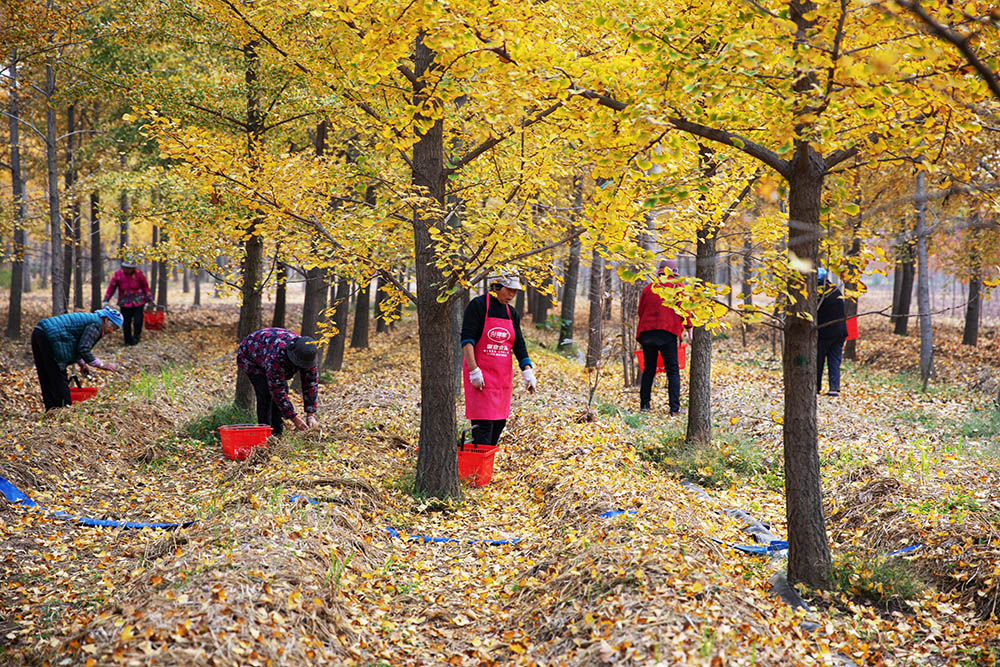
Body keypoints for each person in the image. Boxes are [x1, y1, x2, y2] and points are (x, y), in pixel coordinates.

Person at [460, 274, 536, 448]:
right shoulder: (478, 306)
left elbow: (519, 344)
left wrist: (527, 370)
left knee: (499, 423)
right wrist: (474, 370)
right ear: (496, 287)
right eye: (509, 290)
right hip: (481, 377)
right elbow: (467, 340)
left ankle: (484, 467)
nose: (511, 295)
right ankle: (477, 471)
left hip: (502, 379)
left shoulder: (512, 313)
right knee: (483, 425)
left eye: (514, 292)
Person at [31, 307, 123, 410]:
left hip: (39, 332)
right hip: (50, 338)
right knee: (58, 377)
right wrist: (101, 365)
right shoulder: (96, 325)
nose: (112, 331)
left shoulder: (92, 320)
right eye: (113, 327)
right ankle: (63, 411)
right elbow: (83, 348)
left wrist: (82, 363)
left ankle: (51, 410)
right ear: (106, 320)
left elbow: (74, 342)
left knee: (46, 376)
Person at [236, 328, 320, 436]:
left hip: (268, 353)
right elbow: (277, 391)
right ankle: (265, 436)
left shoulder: (309, 354)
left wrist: (310, 415)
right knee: (265, 394)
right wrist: (294, 419)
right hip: (251, 355)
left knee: (283, 392)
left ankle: (277, 434)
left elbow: (311, 384)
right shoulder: (277, 356)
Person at [637, 259, 691, 415]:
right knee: (672, 371)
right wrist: (689, 328)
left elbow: (641, 311)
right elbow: (684, 310)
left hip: (647, 333)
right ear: (674, 273)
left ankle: (644, 405)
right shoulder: (678, 287)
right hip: (667, 333)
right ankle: (674, 409)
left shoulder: (648, 288)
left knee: (649, 369)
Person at [103, 261, 153, 346]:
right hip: (125, 302)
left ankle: (136, 339)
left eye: (130, 268)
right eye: (127, 268)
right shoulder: (118, 274)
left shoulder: (139, 274)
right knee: (126, 322)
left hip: (138, 301)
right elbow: (112, 287)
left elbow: (145, 286)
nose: (128, 270)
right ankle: (128, 341)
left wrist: (149, 299)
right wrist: (106, 299)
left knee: (138, 321)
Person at [817, 268, 848, 397]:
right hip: (840, 332)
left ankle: (815, 387)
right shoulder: (835, 289)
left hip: (825, 332)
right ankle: (834, 388)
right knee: (834, 360)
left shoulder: (819, 292)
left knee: (818, 360)